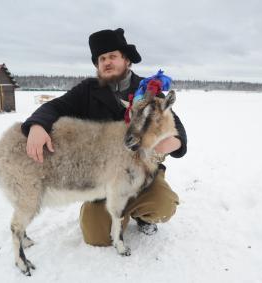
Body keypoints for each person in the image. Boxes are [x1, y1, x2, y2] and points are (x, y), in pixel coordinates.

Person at [21, 28, 187, 246]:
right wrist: (37, 126)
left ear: (126, 60)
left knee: (163, 206)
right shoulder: (87, 91)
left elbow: (177, 130)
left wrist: (170, 143)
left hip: (141, 177)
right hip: (103, 182)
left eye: (112, 56)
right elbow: (55, 106)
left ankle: (141, 214)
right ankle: (99, 212)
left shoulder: (148, 89)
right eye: (102, 58)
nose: (107, 62)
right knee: (98, 237)